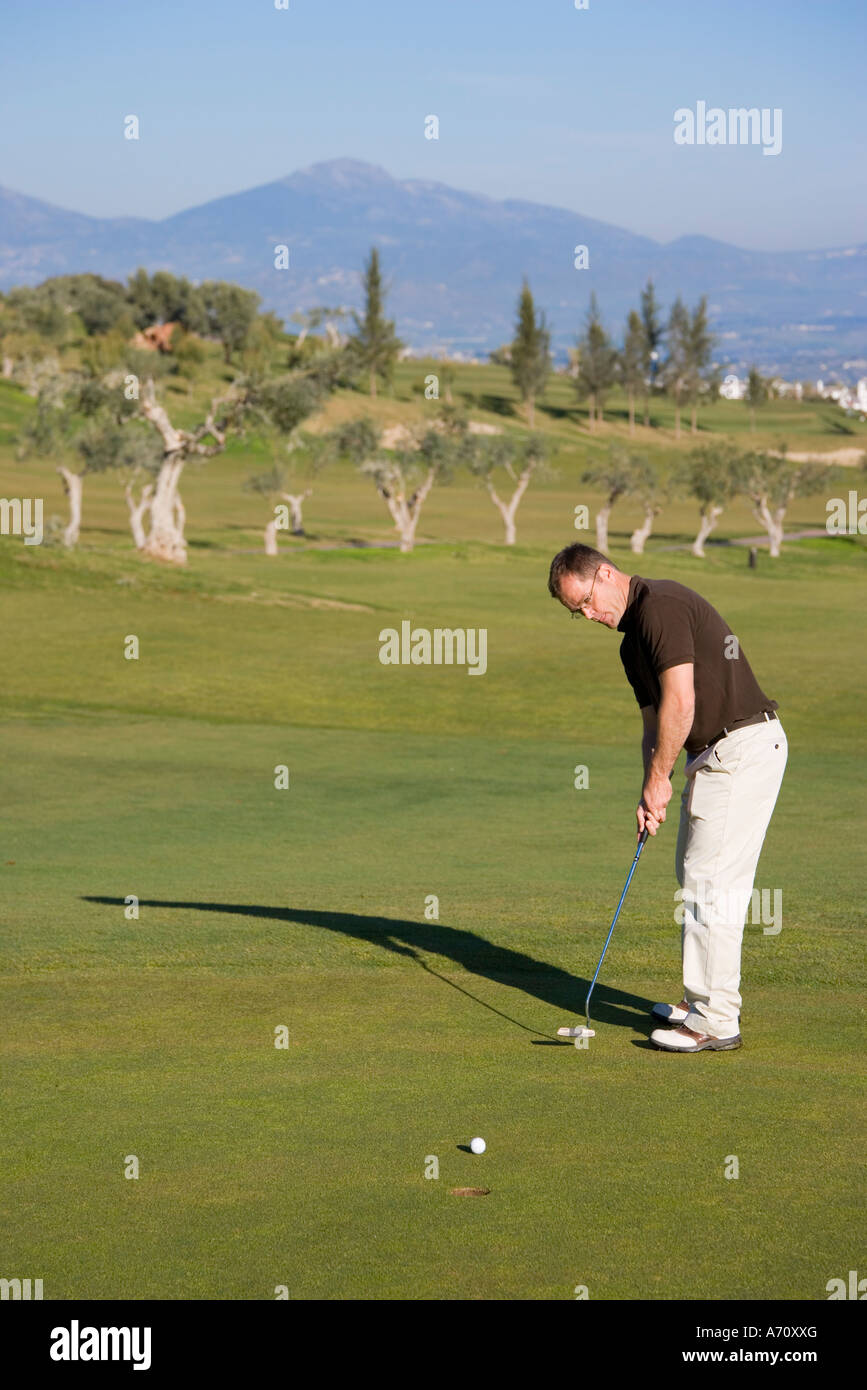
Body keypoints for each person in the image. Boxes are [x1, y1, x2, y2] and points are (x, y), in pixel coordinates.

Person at [548, 543, 787, 1053]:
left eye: (587, 600)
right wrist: (649, 787)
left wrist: (663, 779)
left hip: (741, 747)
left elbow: (683, 700)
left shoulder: (661, 607)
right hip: (714, 756)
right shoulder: (629, 644)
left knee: (710, 884)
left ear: (607, 574)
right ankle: (700, 999)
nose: (590, 615)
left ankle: (715, 1020)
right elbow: (654, 725)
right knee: (695, 875)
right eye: (578, 612)